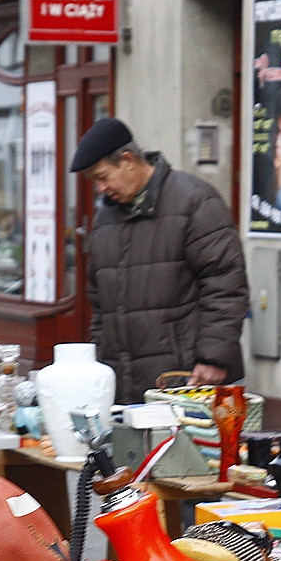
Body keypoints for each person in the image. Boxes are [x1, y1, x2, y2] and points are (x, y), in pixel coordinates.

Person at [71, 117, 247, 403]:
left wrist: (213, 357)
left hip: (190, 382)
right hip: (126, 389)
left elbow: (226, 284)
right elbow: (100, 308)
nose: (99, 189)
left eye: (102, 177)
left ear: (128, 160)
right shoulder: (104, 221)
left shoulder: (195, 202)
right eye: (94, 182)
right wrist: (100, 366)